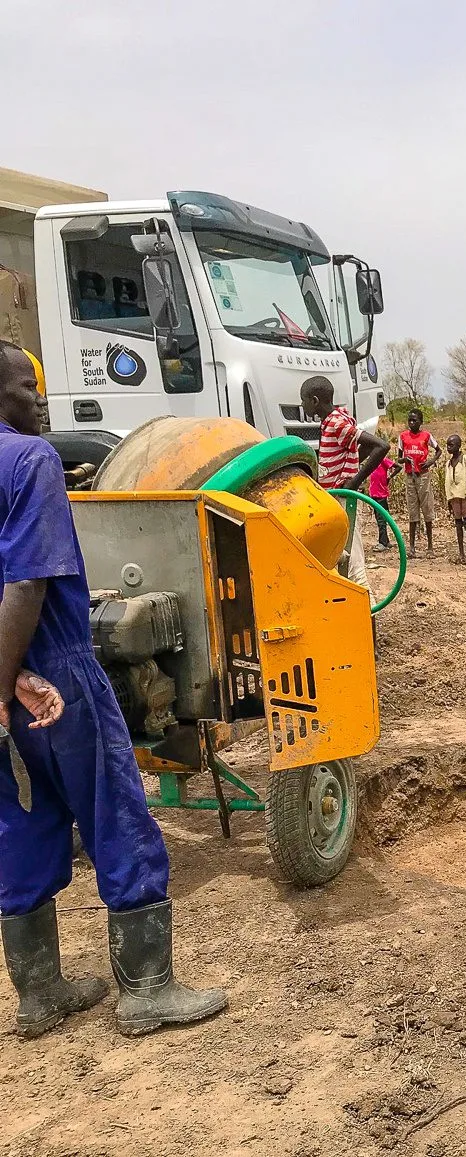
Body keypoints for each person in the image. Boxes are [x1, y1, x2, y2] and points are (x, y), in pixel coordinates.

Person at [0, 342, 226, 1038]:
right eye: (26, 386)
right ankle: (147, 990)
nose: (40, 399)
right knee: (115, 811)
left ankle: (39, 995)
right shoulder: (29, 460)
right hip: (56, 670)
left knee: (21, 824)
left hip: (9, 682)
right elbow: (27, 584)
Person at [300, 377, 390, 597]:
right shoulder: (334, 420)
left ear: (314, 401)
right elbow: (357, 449)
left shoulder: (336, 423)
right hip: (335, 500)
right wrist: (351, 465)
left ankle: (368, 612)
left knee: (354, 565)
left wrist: (354, 481)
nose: (302, 406)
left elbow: (381, 446)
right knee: (341, 560)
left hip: (344, 500)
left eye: (304, 401)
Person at [397, 408, 441, 559]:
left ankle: (430, 547)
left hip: (423, 475)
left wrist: (430, 461)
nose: (411, 423)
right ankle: (412, 548)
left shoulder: (426, 436)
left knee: (427, 509)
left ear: (420, 422)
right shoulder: (403, 436)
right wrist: (405, 459)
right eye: (409, 420)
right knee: (413, 511)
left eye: (414, 420)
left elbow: (438, 450)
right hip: (410, 476)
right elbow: (399, 458)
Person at [443, 434, 466, 564]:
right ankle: (461, 553)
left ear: (459, 446)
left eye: (451, 445)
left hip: (464, 497)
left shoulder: (465, 459)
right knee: (458, 524)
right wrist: (448, 500)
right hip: (454, 498)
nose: (448, 448)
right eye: (447, 445)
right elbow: (448, 482)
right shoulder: (448, 463)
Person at [367, 454, 400, 552]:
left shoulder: (382, 459)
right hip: (374, 493)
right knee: (380, 519)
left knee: (381, 519)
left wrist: (389, 477)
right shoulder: (372, 461)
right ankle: (386, 540)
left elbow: (398, 467)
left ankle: (383, 543)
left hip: (381, 495)